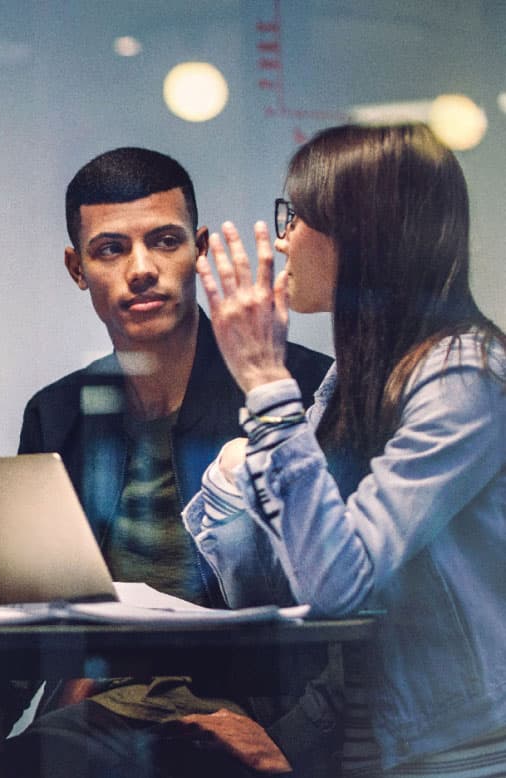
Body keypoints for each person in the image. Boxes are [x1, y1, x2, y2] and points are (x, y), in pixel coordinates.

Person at [188, 123, 506, 776]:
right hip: (370, 737)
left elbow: (336, 588)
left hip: (460, 754)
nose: (281, 239)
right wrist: (231, 481)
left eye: (296, 217)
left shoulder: (464, 375)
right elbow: (286, 592)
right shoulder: (355, 377)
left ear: (361, 235)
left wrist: (266, 382)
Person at [7, 147, 336, 776]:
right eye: (110, 250)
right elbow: (37, 613)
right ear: (77, 268)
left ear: (201, 247)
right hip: (98, 716)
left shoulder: (298, 388)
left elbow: (359, 605)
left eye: (164, 242)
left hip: (249, 713)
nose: (141, 270)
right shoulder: (56, 413)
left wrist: (296, 742)